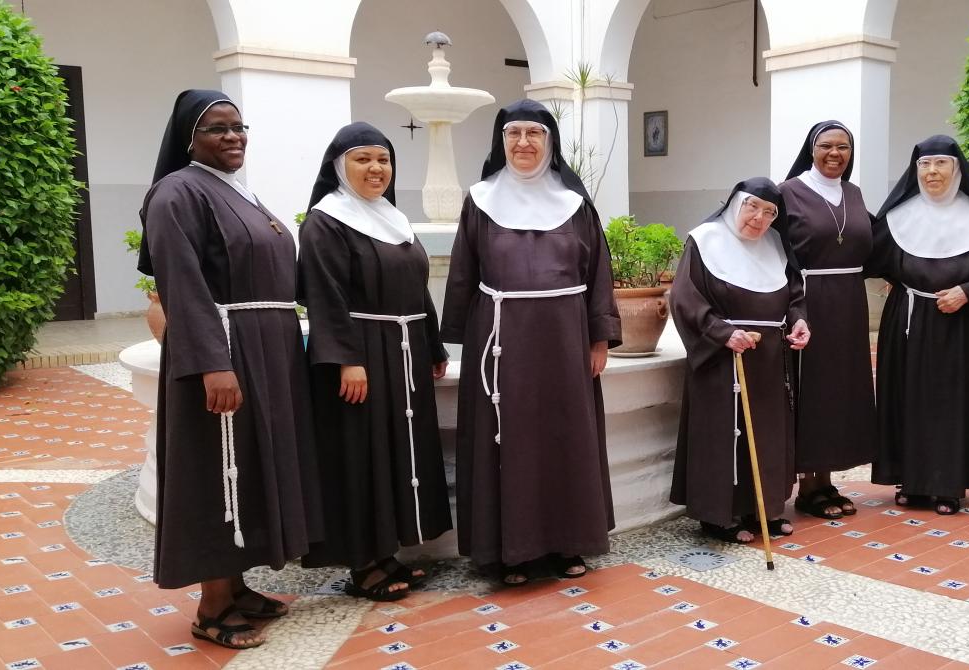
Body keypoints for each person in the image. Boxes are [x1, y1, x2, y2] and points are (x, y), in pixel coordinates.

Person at [138, 89, 322, 649]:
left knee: (248, 463)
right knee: (218, 470)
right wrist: (213, 366)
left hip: (265, 351)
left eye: (240, 127)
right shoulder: (176, 193)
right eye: (218, 128)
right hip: (222, 352)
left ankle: (238, 587)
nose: (233, 137)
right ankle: (213, 605)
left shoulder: (237, 192)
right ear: (188, 138)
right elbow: (183, 288)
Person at [440, 99, 621, 585]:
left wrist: (599, 337)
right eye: (514, 133)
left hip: (565, 339)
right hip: (500, 342)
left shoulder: (576, 204)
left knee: (565, 437)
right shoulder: (479, 199)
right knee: (506, 439)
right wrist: (454, 341)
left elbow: (598, 273)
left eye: (534, 133)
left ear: (550, 142)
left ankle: (567, 543)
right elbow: (462, 273)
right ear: (501, 142)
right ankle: (507, 551)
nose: (524, 143)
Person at [297, 122, 451, 601]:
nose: (375, 169)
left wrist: (434, 345)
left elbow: (418, 287)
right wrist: (346, 359)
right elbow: (324, 294)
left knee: (397, 451)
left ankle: (387, 552)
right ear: (339, 167)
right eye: (363, 159)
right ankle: (362, 565)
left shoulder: (392, 218)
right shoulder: (326, 220)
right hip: (362, 355)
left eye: (382, 159)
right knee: (360, 454)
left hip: (403, 353)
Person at [868, 135, 969, 515]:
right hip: (909, 320)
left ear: (956, 169)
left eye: (940, 164)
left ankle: (949, 484)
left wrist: (967, 291)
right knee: (907, 398)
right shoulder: (899, 216)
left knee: (953, 402)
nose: (932, 172)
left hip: (960, 324)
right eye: (925, 165)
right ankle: (911, 481)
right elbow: (870, 257)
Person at [670, 178, 812, 543]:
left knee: (767, 435)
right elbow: (685, 299)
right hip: (722, 358)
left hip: (769, 358)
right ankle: (721, 516)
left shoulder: (777, 245)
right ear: (734, 203)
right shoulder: (704, 240)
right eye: (752, 207)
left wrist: (799, 321)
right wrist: (721, 334)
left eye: (769, 213)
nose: (759, 219)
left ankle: (763, 510)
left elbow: (794, 294)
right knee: (725, 434)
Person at [779, 120, 875, 520]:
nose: (835, 154)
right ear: (811, 149)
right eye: (826, 146)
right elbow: (779, 253)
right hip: (809, 300)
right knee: (812, 390)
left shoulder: (853, 193)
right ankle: (808, 485)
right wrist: (790, 306)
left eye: (843, 147)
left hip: (850, 303)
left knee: (840, 391)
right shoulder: (790, 192)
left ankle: (828, 478)